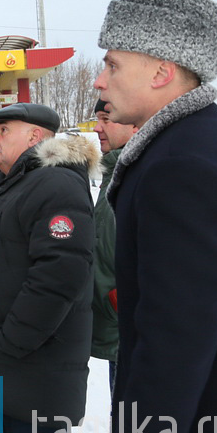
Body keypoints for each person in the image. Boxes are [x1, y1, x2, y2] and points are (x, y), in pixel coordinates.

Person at [93, 0, 217, 433]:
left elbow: (177, 336)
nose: (99, 80)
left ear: (162, 71)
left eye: (113, 64)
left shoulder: (179, 164)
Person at [0, 102, 98, 433]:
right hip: (15, 372)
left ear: (35, 136)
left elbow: (59, 274)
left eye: (3, 130)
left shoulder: (56, 183)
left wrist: (10, 343)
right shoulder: (20, 182)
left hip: (34, 373)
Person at [90, 98, 137, 391]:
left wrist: (123, 300)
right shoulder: (116, 172)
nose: (96, 128)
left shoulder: (146, 171)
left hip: (135, 332)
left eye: (107, 119)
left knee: (140, 427)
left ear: (136, 122)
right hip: (118, 326)